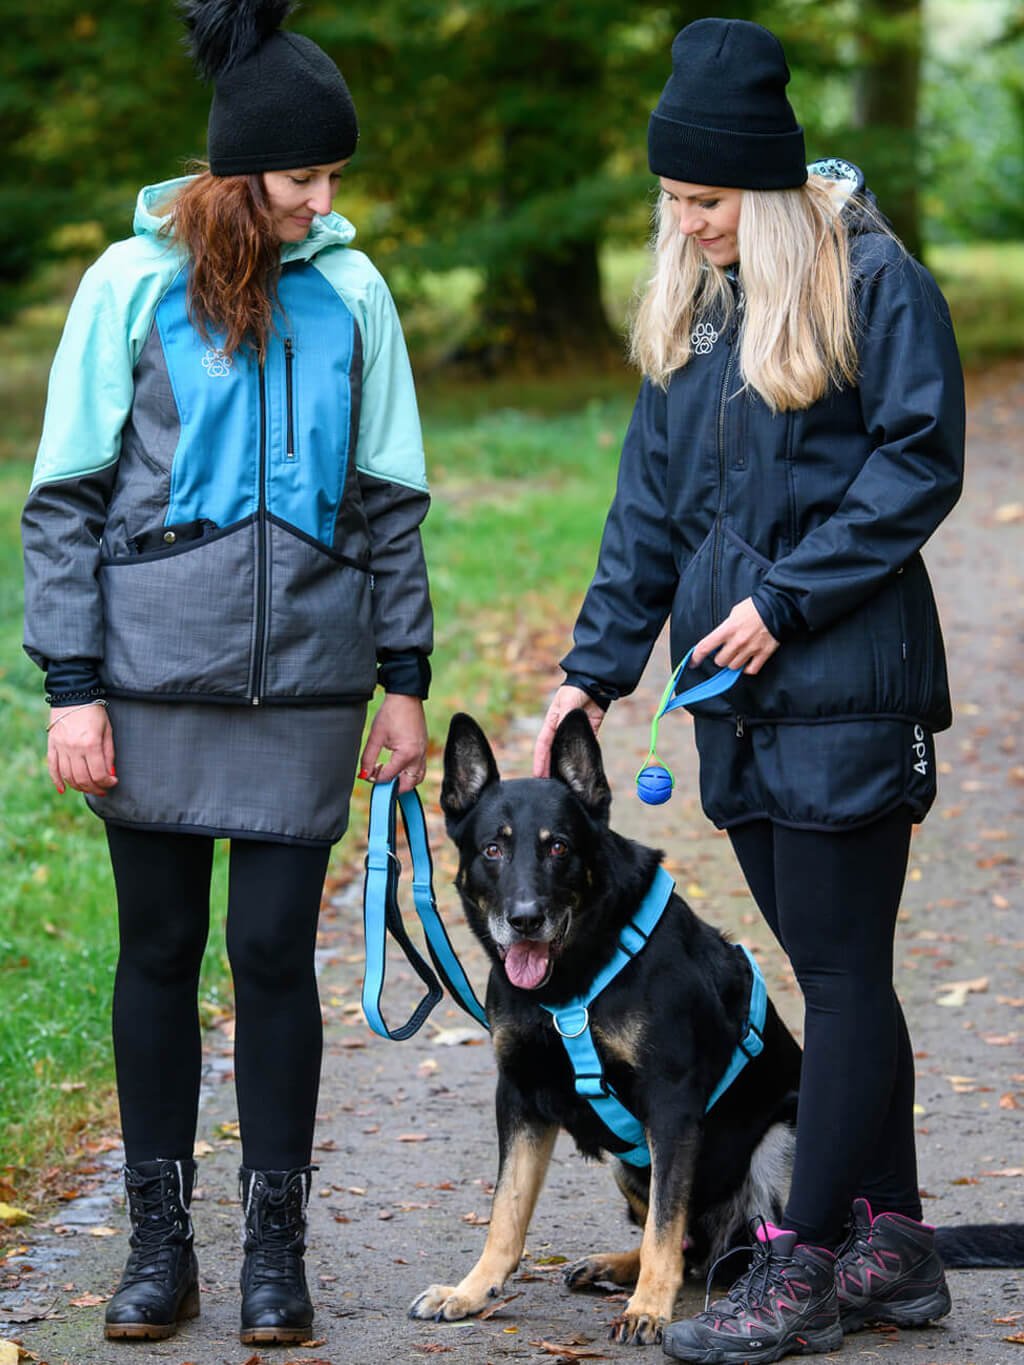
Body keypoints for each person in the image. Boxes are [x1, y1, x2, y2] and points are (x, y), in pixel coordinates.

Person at [533, 17, 964, 1364]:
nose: (688, 223)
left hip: (844, 682)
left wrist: (787, 599)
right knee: (840, 978)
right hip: (738, 708)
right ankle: (891, 1240)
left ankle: (805, 1259)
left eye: (708, 201)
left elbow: (919, 459)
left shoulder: (871, 282)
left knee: (835, 980)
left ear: (769, 193)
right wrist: (591, 673)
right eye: (671, 200)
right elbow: (647, 517)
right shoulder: (694, 317)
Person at [21, 0, 432, 1347]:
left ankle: (272, 1256)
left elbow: (388, 501)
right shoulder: (126, 288)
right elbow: (67, 498)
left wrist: (409, 681)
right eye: (305, 177)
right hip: (143, 684)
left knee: (268, 952)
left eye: (334, 178)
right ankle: (156, 1253)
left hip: (308, 686)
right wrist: (70, 685)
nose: (325, 202)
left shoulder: (356, 293)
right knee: (156, 950)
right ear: (239, 170)